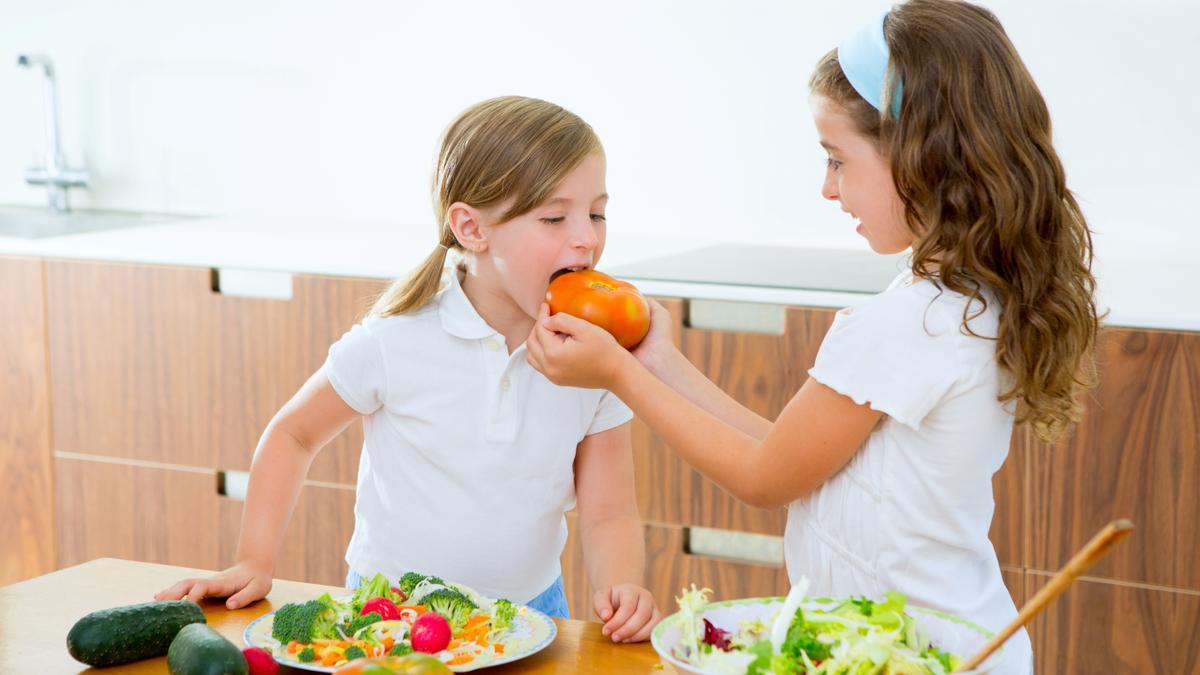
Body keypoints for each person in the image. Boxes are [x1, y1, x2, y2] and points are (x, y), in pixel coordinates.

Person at [526, 2, 1101, 670]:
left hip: (915, 653)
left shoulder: (904, 323)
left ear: (921, 157)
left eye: (837, 159)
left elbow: (764, 477)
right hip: (951, 640)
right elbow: (792, 456)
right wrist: (659, 360)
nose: (828, 188)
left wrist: (619, 375)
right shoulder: (961, 299)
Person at [157, 96, 661, 643]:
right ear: (471, 228)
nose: (586, 236)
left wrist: (623, 586)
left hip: (533, 613)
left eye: (597, 212)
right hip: (389, 612)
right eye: (554, 217)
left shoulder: (601, 359)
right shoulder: (395, 340)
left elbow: (609, 512)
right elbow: (293, 434)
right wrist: (253, 559)